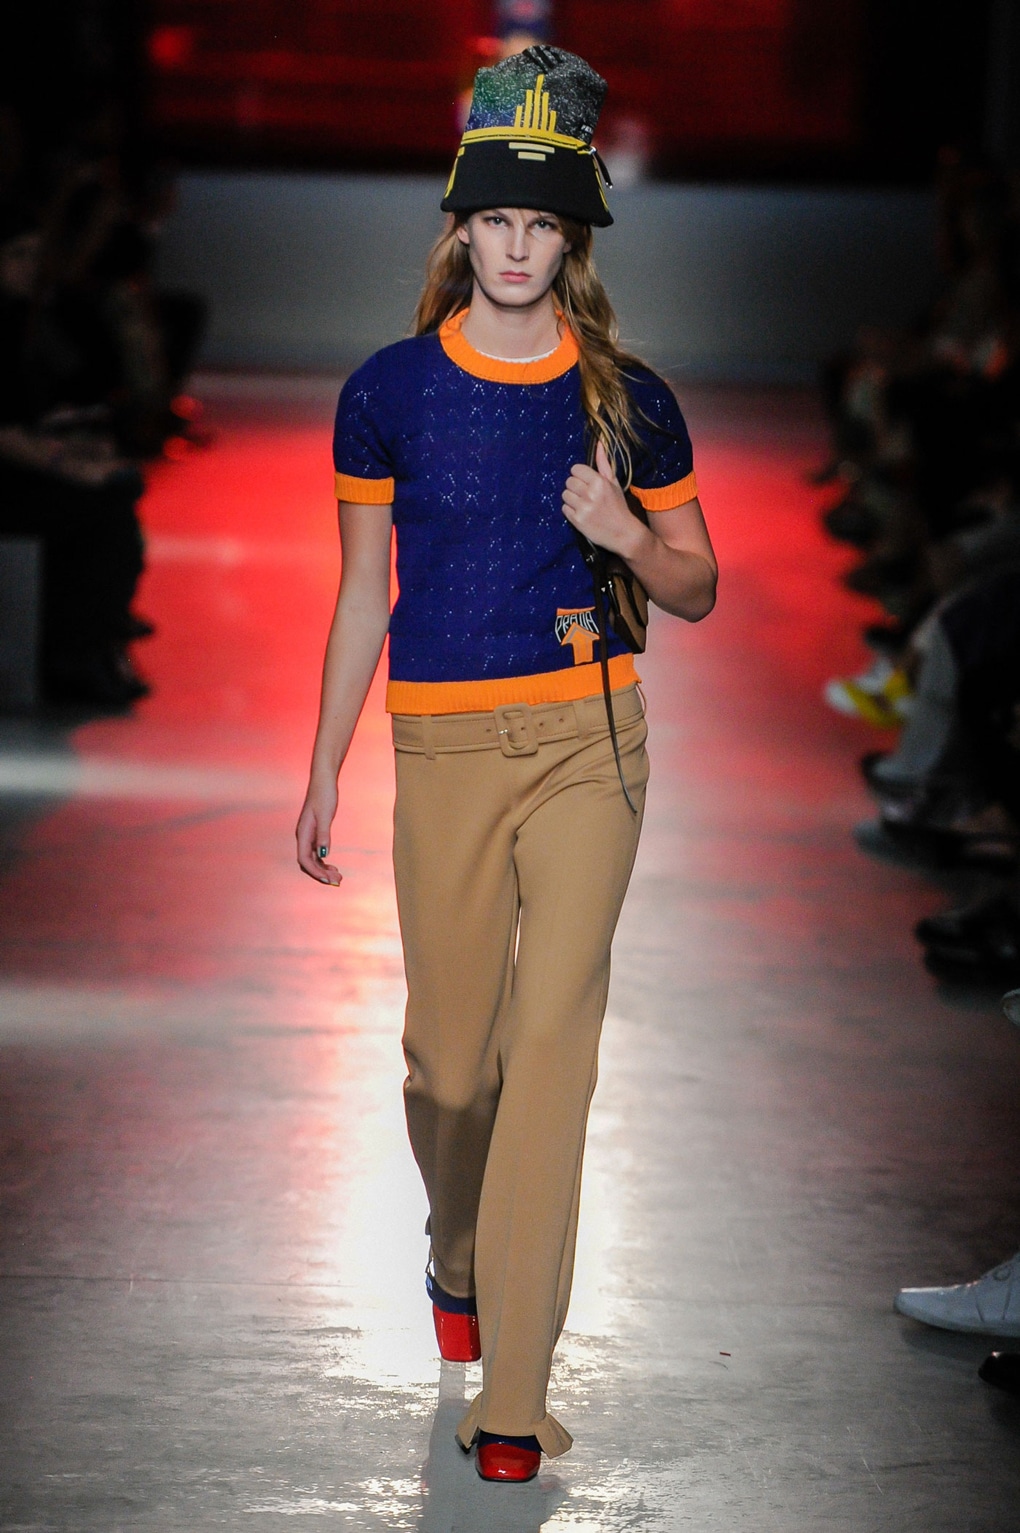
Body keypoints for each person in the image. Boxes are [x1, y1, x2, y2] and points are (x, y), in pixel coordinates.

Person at [296, 46, 717, 1483]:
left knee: (551, 1057)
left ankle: (517, 1401)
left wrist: (624, 532)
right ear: (462, 229)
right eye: (496, 221)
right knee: (449, 1068)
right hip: (443, 745)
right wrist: (324, 765)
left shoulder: (630, 400)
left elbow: (699, 584)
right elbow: (364, 593)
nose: (520, 247)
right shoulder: (387, 393)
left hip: (592, 737)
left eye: (543, 223)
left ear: (573, 236)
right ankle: (458, 1248)